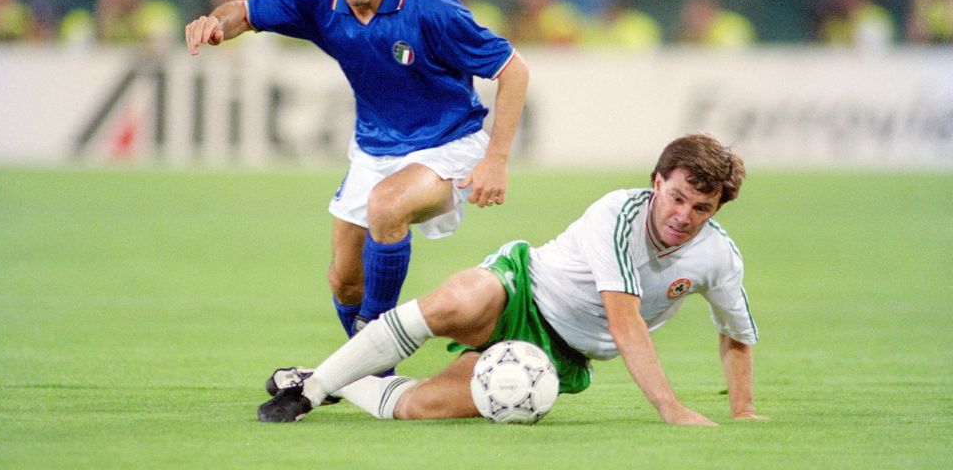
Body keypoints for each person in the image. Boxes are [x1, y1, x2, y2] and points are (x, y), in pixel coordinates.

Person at [185, 0, 529, 344]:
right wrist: (216, 23)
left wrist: (496, 160)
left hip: (448, 144)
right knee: (344, 280)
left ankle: (376, 347)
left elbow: (512, 68)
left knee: (386, 206)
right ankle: (375, 376)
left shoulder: (430, 8)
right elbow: (245, 12)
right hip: (374, 148)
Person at [258, 133, 764, 426]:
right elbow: (624, 319)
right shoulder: (617, 213)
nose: (684, 215)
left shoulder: (716, 255)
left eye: (702, 207)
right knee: (454, 303)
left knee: (420, 407)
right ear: (657, 182)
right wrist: (670, 408)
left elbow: (737, 335)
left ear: (717, 208)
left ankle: (332, 382)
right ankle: (314, 389)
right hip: (521, 287)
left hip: (558, 355)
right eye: (677, 197)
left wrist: (742, 410)